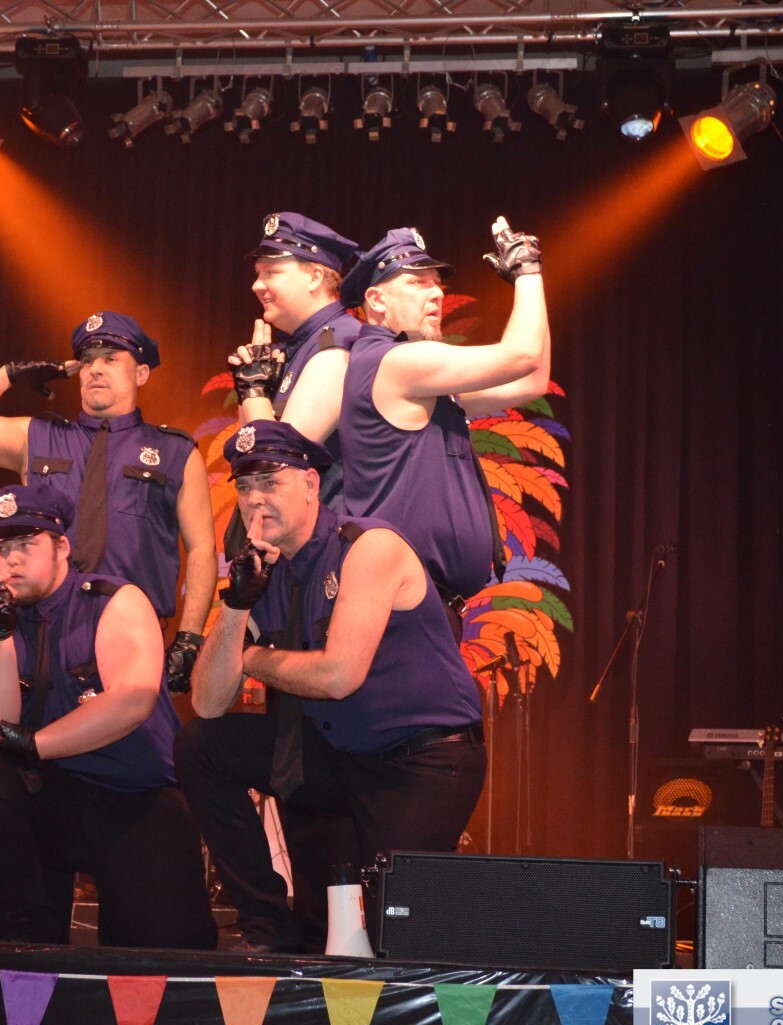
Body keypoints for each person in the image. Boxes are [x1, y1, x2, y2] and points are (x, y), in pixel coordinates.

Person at [178, 421, 486, 953]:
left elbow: (340, 676)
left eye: (269, 482)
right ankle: (266, 928)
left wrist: (251, 657)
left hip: (422, 762)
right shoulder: (266, 571)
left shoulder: (368, 546)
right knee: (201, 746)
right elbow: (206, 701)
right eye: (244, 488)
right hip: (344, 754)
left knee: (392, 939)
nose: (254, 500)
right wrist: (236, 603)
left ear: (311, 485)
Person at [0, 485, 217, 949]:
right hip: (48, 799)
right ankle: (28, 929)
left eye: (26, 544)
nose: (12, 560)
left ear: (62, 547)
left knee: (161, 955)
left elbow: (132, 700)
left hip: (131, 798)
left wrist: (36, 744)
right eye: (2, 549)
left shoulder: (113, 600)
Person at [0, 312, 215, 692]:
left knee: (128, 729)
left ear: (141, 373)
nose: (95, 369)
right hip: (42, 632)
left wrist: (190, 638)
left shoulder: (175, 452)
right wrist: (8, 376)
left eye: (110, 358)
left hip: (132, 635)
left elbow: (202, 548)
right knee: (29, 729)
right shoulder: (40, 436)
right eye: (87, 360)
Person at [336, 220, 550, 622]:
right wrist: (527, 272)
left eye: (438, 285)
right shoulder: (394, 361)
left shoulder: (419, 379)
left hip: (420, 605)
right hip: (401, 607)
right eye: (418, 283)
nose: (436, 293)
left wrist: (531, 279)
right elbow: (523, 356)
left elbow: (532, 379)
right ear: (376, 301)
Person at [228, 211, 362, 509]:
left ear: (315, 277)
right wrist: (252, 392)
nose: (257, 285)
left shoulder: (338, 344)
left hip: (328, 531)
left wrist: (254, 392)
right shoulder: (300, 346)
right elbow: (246, 447)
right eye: (258, 273)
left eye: (271, 272)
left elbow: (276, 464)